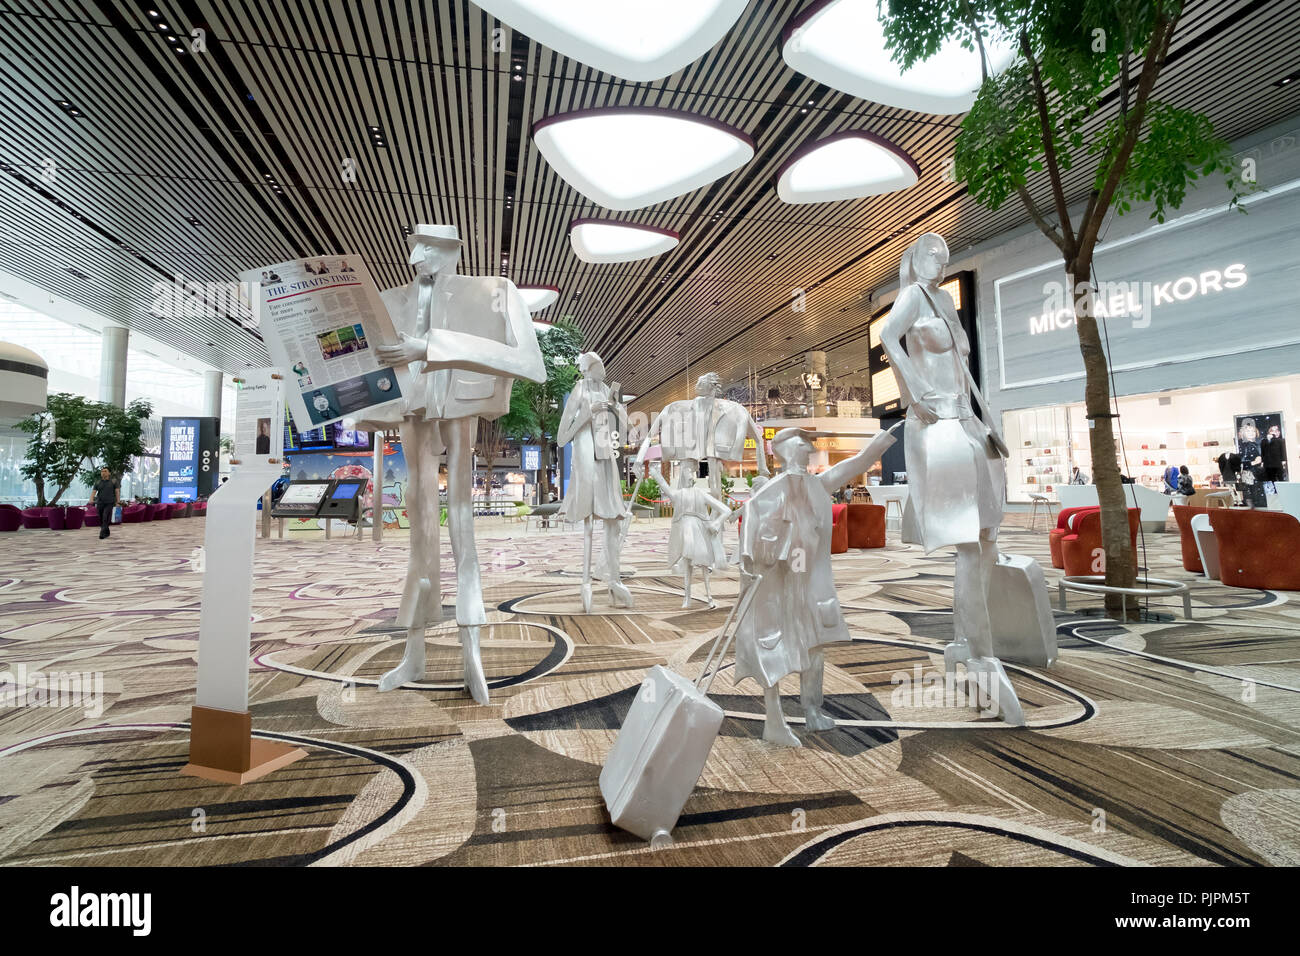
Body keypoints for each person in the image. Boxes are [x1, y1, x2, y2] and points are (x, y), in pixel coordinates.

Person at [364, 222, 545, 702]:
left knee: (461, 526)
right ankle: (414, 651)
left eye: (426, 248)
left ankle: (471, 651)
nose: (415, 258)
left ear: (452, 250)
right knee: (420, 526)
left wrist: (431, 347)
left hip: (460, 407)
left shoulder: (491, 292)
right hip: (410, 411)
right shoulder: (390, 300)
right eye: (413, 248)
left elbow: (530, 362)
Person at [879, 232, 1024, 726]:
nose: (939, 263)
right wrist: (913, 390)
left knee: (987, 536)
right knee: (967, 540)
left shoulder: (942, 298)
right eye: (930, 255)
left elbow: (960, 362)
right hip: (936, 422)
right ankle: (979, 651)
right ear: (913, 259)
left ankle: (970, 641)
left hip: (966, 420)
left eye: (944, 257)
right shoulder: (911, 297)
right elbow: (887, 338)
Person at [736, 426, 897, 746]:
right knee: (773, 644)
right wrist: (765, 545)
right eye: (801, 444)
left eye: (808, 445)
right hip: (780, 581)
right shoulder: (772, 490)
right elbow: (753, 536)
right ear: (782, 450)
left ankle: (812, 709)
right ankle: (774, 717)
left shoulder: (819, 483)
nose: (807, 449)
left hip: (810, 580)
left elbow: (860, 462)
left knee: (814, 647)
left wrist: (889, 434)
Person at [555, 352, 634, 612]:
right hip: (586, 452)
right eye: (597, 366)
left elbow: (626, 431)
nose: (602, 371)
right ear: (588, 369)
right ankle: (586, 581)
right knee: (589, 521)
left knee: (612, 518)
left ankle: (614, 579)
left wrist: (615, 409)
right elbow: (562, 438)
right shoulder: (580, 389)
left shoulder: (605, 389)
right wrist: (588, 414)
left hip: (605, 450)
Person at [652, 462, 729, 608]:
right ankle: (687, 597)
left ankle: (709, 596)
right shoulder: (680, 495)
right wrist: (656, 474)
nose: (689, 477)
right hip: (687, 532)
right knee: (688, 563)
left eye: (690, 475)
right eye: (686, 475)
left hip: (699, 531)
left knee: (704, 564)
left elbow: (726, 510)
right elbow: (666, 489)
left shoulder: (699, 493)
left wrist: (717, 523)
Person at [89, 466, 120, 539]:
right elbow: (94, 492)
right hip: (100, 502)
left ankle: (102, 534)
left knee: (105, 517)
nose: (103, 473)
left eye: (105, 471)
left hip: (110, 502)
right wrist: (91, 499)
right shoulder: (98, 482)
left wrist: (118, 502)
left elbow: (117, 492)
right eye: (102, 471)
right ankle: (107, 531)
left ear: (109, 473)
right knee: (101, 518)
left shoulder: (114, 481)